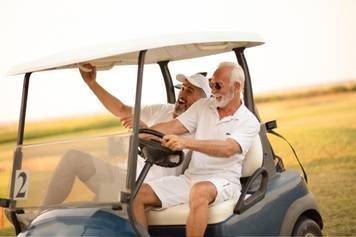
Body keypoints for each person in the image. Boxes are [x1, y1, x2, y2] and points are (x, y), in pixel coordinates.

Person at [42, 64, 211, 206]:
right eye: (182, 88)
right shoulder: (163, 109)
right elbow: (122, 110)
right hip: (123, 177)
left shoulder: (201, 126)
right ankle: (37, 218)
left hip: (149, 187)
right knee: (73, 158)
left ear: (202, 103)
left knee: (95, 208)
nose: (182, 94)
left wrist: (144, 129)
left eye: (190, 91)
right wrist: (92, 83)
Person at [132, 62, 260, 237]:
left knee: (199, 191)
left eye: (217, 85)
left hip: (223, 181)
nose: (213, 90)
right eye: (211, 84)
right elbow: (174, 126)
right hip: (190, 179)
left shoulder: (248, 121)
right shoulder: (203, 107)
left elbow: (228, 148)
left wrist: (186, 144)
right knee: (136, 194)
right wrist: (144, 133)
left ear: (236, 87)